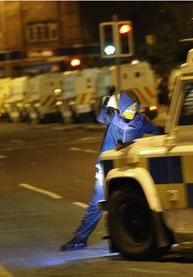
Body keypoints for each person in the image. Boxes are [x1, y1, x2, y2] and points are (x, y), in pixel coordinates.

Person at [60, 89, 163, 251]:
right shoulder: (112, 116)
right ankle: (80, 239)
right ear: (121, 107)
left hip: (129, 171)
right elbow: (100, 117)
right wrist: (107, 98)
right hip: (107, 170)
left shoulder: (141, 120)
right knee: (96, 205)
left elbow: (159, 131)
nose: (132, 111)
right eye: (129, 107)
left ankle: (134, 236)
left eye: (135, 107)